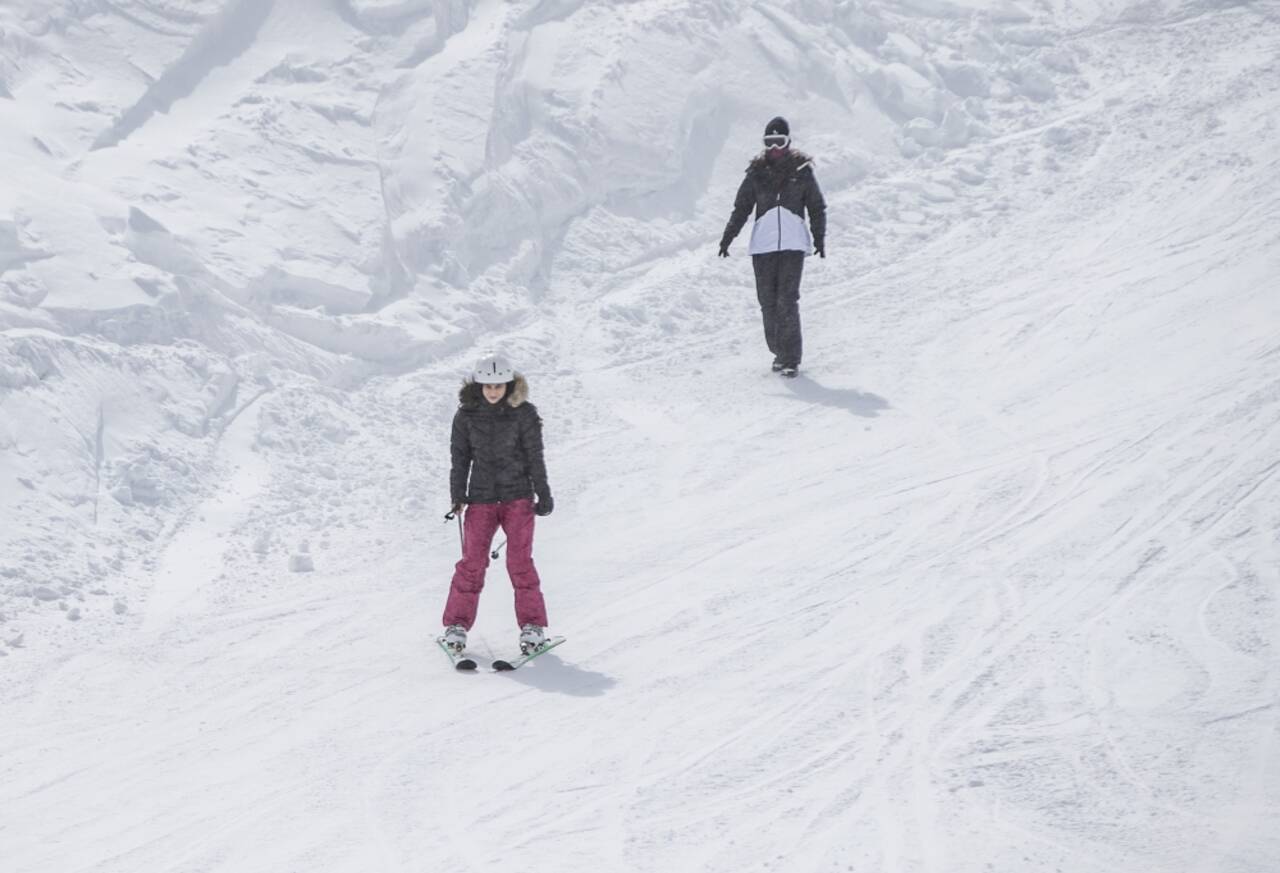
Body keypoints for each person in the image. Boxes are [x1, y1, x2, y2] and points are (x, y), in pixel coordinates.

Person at [441, 354, 554, 655]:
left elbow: (535, 456)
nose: (493, 391)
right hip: (481, 499)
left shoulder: (524, 413)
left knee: (519, 563)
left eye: (499, 385)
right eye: (488, 386)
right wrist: (458, 495)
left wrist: (543, 492)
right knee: (472, 564)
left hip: (518, 497)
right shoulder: (466, 415)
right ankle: (456, 626)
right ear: (479, 385)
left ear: (508, 384)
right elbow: (460, 458)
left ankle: (533, 626)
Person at [718, 116, 827, 378]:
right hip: (763, 247)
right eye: (770, 142)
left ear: (789, 142)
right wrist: (728, 237)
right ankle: (779, 351)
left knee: (786, 300)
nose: (775, 147)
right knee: (768, 302)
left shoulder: (802, 172)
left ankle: (791, 358)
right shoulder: (756, 174)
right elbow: (742, 208)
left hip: (793, 245)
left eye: (780, 141)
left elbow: (816, 206)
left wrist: (819, 236)